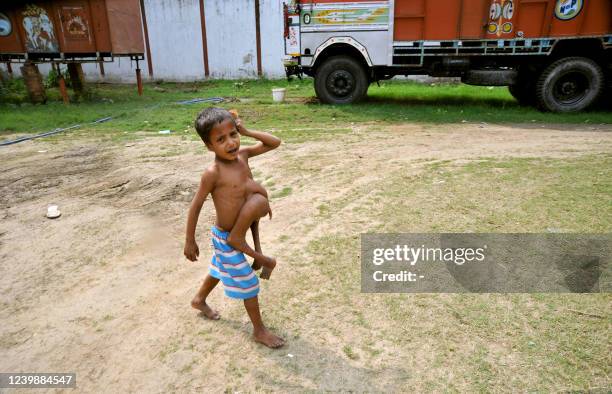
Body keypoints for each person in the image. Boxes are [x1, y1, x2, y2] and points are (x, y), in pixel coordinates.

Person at [183, 107, 284, 348]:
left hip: (241, 229)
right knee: (248, 283)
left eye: (233, 134)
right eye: (220, 139)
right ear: (209, 146)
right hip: (226, 238)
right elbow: (196, 206)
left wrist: (246, 131)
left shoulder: (244, 156)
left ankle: (199, 299)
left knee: (219, 269)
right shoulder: (212, 173)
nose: (230, 143)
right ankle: (259, 331)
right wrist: (189, 240)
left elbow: (274, 142)